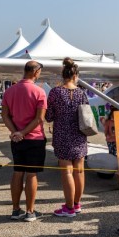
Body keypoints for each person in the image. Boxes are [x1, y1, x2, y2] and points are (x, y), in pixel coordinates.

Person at [1, 60, 48, 222]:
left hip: (17, 139)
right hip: (34, 138)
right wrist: (23, 132)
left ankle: (15, 210)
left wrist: (15, 132)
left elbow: (4, 116)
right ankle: (30, 211)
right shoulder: (39, 92)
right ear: (36, 72)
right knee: (31, 174)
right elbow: (39, 119)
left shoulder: (9, 91)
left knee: (17, 172)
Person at [45, 57, 89, 217]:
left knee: (67, 172)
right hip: (79, 135)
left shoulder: (55, 92)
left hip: (62, 135)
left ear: (63, 75)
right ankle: (76, 204)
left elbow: (48, 116)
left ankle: (69, 208)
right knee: (79, 171)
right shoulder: (81, 93)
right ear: (75, 75)